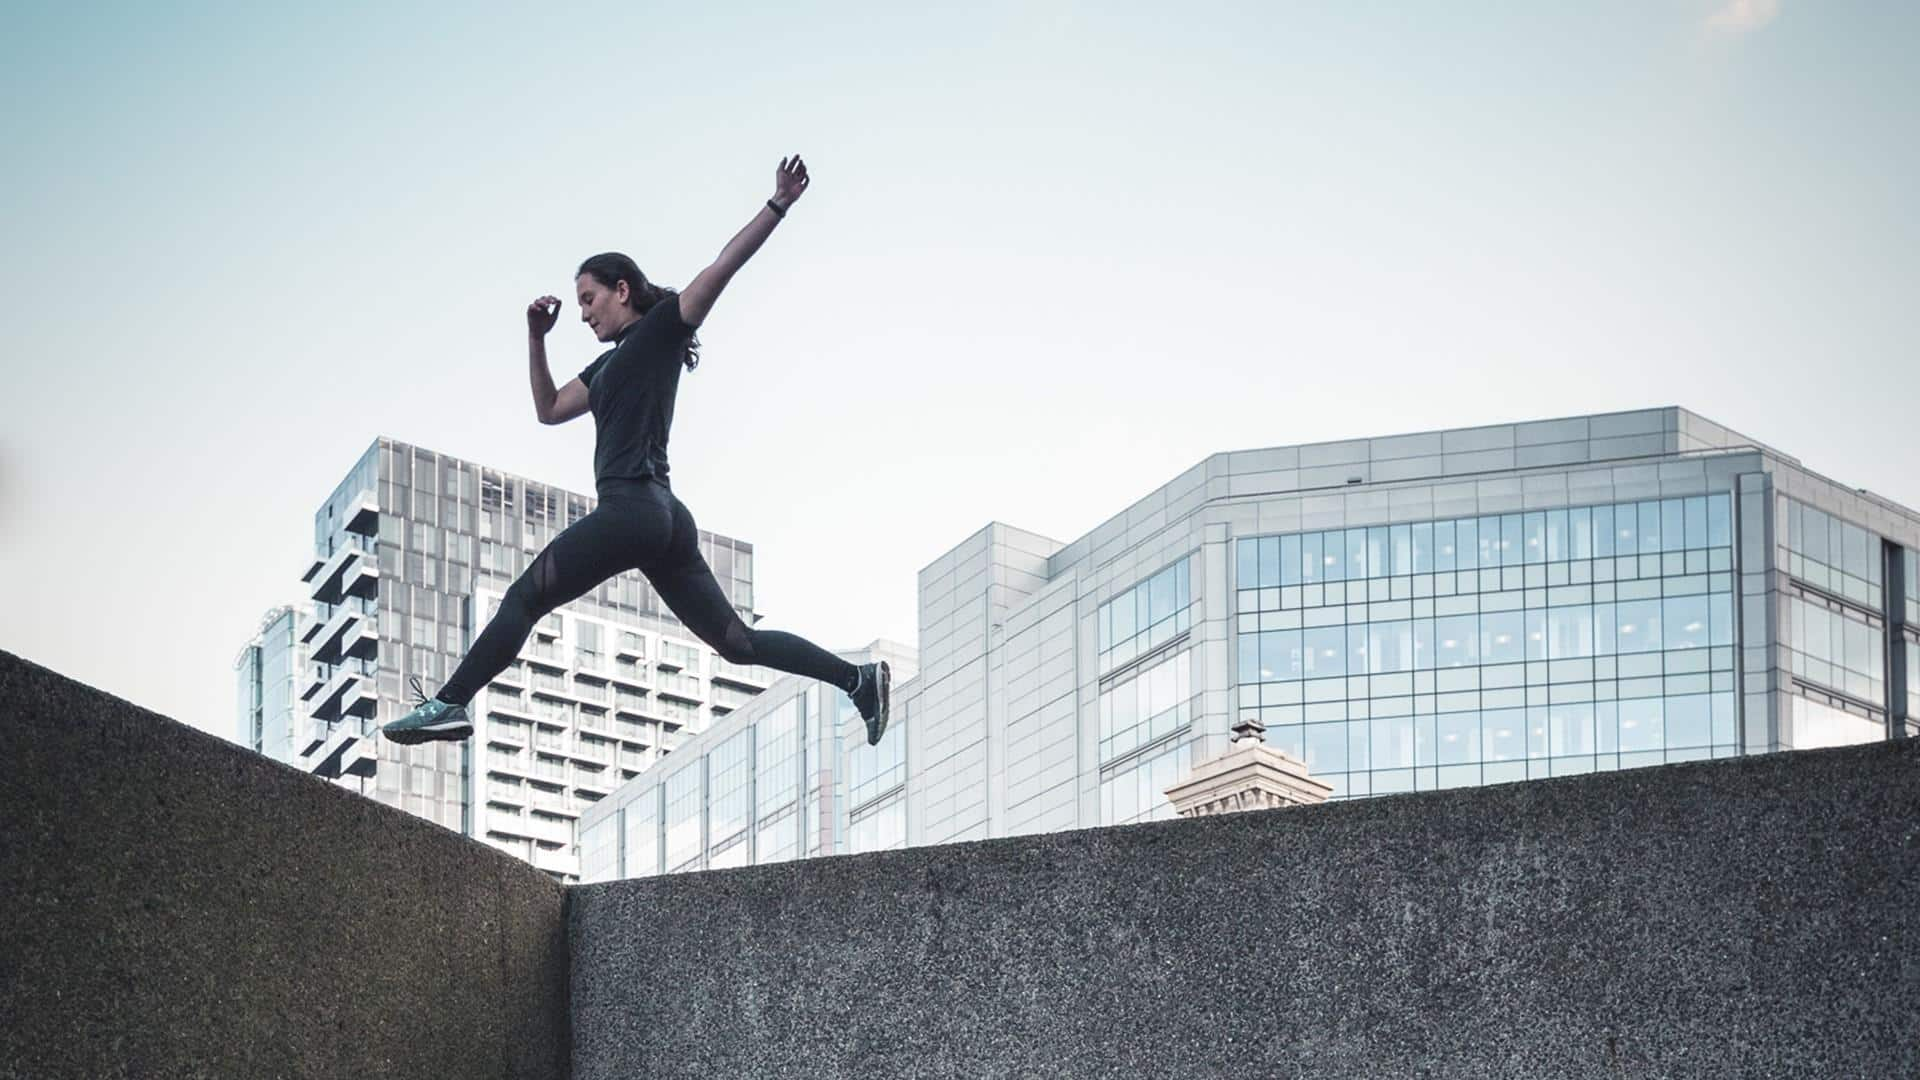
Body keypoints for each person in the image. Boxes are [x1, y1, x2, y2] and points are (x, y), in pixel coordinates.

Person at [383, 154, 891, 749]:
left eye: (590, 298)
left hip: (632, 508)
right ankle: (856, 679)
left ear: (622, 290)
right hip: (665, 520)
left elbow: (722, 267)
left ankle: (450, 703)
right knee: (737, 644)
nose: (584, 312)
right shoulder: (603, 367)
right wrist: (534, 338)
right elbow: (547, 409)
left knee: (524, 597)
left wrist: (777, 203)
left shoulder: (659, 332)